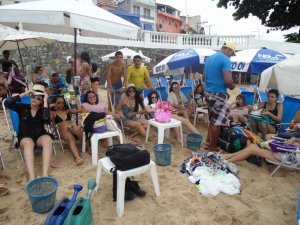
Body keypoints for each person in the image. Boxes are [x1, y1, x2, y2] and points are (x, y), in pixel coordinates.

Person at [4, 84, 52, 181]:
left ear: (42, 101)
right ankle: (31, 176)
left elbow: (46, 119)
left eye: (38, 98)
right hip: (25, 137)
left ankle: (45, 174)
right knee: (28, 143)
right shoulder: (22, 107)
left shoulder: (43, 110)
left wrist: (46, 99)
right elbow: (7, 103)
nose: (34, 99)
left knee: (48, 139)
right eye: (33, 96)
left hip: (39, 136)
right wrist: (26, 93)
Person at [203, 42, 236, 152]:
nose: (231, 56)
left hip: (208, 92)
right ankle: (213, 147)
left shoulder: (209, 58)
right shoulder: (225, 59)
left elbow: (203, 78)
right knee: (217, 122)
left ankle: (208, 142)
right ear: (229, 50)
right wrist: (232, 86)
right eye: (232, 54)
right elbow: (228, 81)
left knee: (212, 119)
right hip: (219, 93)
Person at [51, 96, 84, 166]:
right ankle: (77, 158)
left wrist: (77, 99)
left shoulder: (67, 110)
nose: (61, 104)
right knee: (70, 138)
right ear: (55, 103)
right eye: (59, 103)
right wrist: (51, 105)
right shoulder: (53, 113)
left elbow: (79, 110)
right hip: (62, 131)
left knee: (79, 129)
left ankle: (86, 147)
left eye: (63, 103)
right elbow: (46, 117)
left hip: (72, 128)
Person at [222, 138, 300, 164]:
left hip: (287, 157)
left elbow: (287, 145)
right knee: (252, 146)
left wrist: (292, 140)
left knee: (252, 149)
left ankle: (227, 161)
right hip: (285, 153)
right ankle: (227, 156)